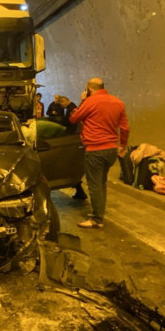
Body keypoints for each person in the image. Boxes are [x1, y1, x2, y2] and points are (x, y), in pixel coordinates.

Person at [68, 77, 129, 228]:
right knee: (101, 183)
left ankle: (96, 219)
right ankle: (98, 213)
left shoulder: (89, 102)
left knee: (94, 185)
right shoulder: (118, 102)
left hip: (95, 149)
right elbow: (125, 128)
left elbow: (74, 119)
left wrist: (82, 100)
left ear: (89, 89)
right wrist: (122, 145)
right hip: (111, 150)